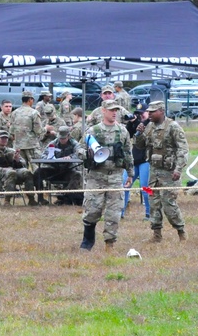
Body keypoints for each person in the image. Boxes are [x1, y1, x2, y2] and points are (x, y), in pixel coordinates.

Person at [79, 100, 134, 251]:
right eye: (111, 110)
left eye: (116, 110)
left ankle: (110, 244)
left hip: (116, 177)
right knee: (92, 210)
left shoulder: (122, 131)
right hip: (96, 177)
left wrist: (130, 173)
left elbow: (128, 153)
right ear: (103, 111)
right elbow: (79, 149)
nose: (114, 112)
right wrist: (87, 155)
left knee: (114, 213)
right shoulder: (93, 131)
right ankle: (87, 241)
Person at [135, 101, 188, 242]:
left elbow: (183, 149)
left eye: (153, 112)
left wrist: (178, 169)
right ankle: (156, 235)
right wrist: (139, 134)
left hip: (169, 173)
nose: (149, 114)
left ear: (161, 111)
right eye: (149, 112)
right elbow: (140, 146)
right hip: (154, 172)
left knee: (168, 204)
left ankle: (181, 232)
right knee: (153, 202)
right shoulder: (150, 126)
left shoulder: (173, 127)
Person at [35, 126, 85, 205]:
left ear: (68, 136)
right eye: (60, 138)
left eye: (64, 138)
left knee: (77, 175)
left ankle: (65, 197)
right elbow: (43, 156)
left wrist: (70, 157)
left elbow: (80, 153)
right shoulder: (53, 143)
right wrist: (50, 158)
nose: (61, 140)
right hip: (54, 170)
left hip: (68, 170)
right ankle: (40, 198)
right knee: (38, 172)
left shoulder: (74, 143)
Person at [0, 130, 37, 206]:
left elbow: (24, 164)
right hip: (0, 175)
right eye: (2, 138)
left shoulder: (12, 151)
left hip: (14, 172)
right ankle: (7, 200)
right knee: (11, 172)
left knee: (27, 172)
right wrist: (2, 170)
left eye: (6, 138)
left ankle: (31, 199)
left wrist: (17, 160)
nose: (4, 140)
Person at [123, 105, 151, 219]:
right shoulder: (137, 124)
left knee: (145, 187)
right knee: (124, 186)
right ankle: (120, 212)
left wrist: (140, 122)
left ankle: (150, 212)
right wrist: (132, 122)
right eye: (139, 113)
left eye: (143, 113)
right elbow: (128, 134)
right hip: (134, 160)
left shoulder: (152, 125)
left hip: (146, 160)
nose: (141, 115)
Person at [11, 90, 45, 170]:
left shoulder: (15, 113)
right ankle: (37, 183)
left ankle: (25, 183)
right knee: (37, 169)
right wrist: (46, 129)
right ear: (30, 100)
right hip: (32, 146)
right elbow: (38, 130)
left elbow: (11, 131)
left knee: (22, 170)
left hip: (19, 146)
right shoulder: (34, 113)